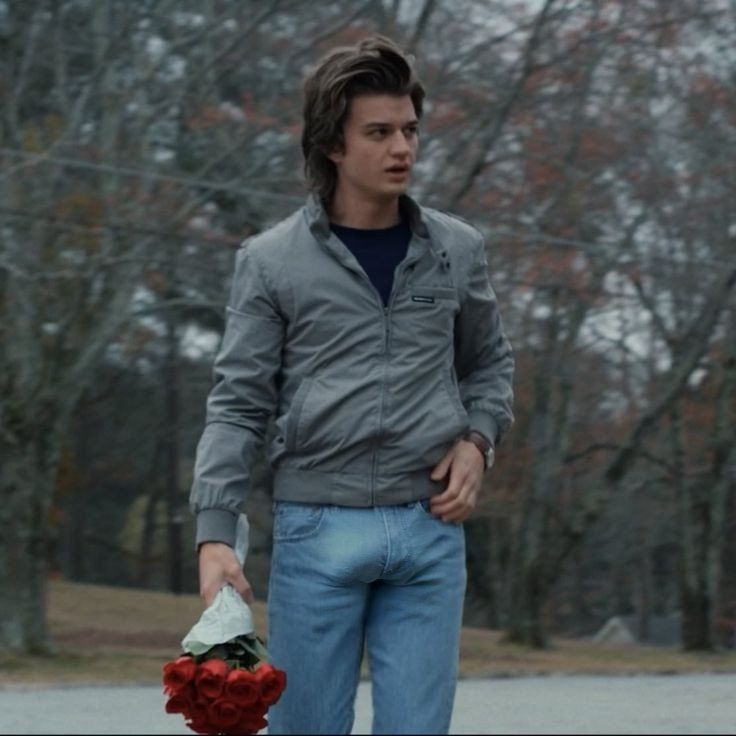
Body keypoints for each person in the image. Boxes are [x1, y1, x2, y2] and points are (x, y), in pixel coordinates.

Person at [190, 35, 514, 735]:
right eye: (379, 132)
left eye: (409, 130)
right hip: (316, 529)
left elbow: (489, 364)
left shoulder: (456, 250)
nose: (403, 147)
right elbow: (238, 405)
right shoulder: (271, 262)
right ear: (332, 145)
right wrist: (215, 532)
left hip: (429, 529)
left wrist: (477, 442)